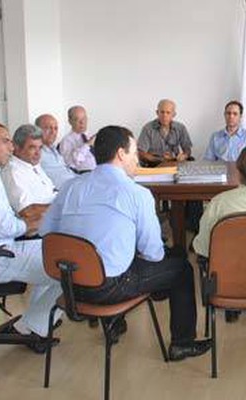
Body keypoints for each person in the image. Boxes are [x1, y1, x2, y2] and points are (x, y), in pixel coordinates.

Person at [39, 125, 211, 361]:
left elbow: (46, 231)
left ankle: (115, 325)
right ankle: (182, 343)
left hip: (69, 284)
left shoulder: (71, 186)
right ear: (121, 154)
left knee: (121, 256)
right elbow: (153, 255)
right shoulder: (136, 193)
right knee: (180, 267)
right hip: (109, 288)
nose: (136, 158)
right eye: (133, 153)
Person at [0, 122, 62, 352]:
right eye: (5, 141)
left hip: (3, 247)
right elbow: (5, 226)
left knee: (55, 255)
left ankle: (31, 326)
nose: (10, 148)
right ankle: (30, 326)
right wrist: (26, 224)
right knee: (72, 268)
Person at [1, 124, 56, 214]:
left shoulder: (33, 164)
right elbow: (26, 211)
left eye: (40, 148)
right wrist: (60, 205)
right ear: (17, 147)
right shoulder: (12, 172)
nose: (38, 153)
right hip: (37, 225)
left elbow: (52, 190)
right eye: (32, 147)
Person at [138, 99, 193, 166]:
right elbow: (141, 153)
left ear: (174, 114)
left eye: (168, 112)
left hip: (175, 163)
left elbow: (188, 150)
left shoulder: (180, 128)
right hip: (154, 165)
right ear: (157, 112)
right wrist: (161, 159)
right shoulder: (148, 128)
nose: (164, 115)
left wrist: (184, 156)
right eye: (162, 112)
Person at [36, 114, 76, 190]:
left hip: (75, 183)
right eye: (48, 128)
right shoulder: (36, 152)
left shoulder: (54, 149)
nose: (53, 132)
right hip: (64, 191)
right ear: (37, 130)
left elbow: (65, 170)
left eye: (55, 128)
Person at [59, 105, 96, 172]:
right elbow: (71, 164)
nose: (82, 122)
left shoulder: (92, 136)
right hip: (83, 175)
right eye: (77, 119)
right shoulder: (66, 141)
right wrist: (87, 145)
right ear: (70, 121)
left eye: (84, 118)